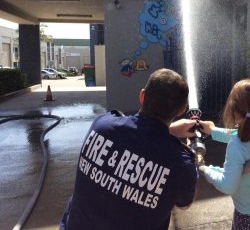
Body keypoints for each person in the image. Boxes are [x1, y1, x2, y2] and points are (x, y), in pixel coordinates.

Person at [60, 68, 198, 230]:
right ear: (182, 110)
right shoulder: (180, 162)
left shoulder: (102, 126)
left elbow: (136, 135)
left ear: (142, 96)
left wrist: (169, 131)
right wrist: (190, 151)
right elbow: (184, 202)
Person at [199, 79, 250, 230]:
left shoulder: (236, 145)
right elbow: (242, 135)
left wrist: (206, 170)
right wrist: (212, 131)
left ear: (234, 109)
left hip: (247, 213)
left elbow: (228, 186)